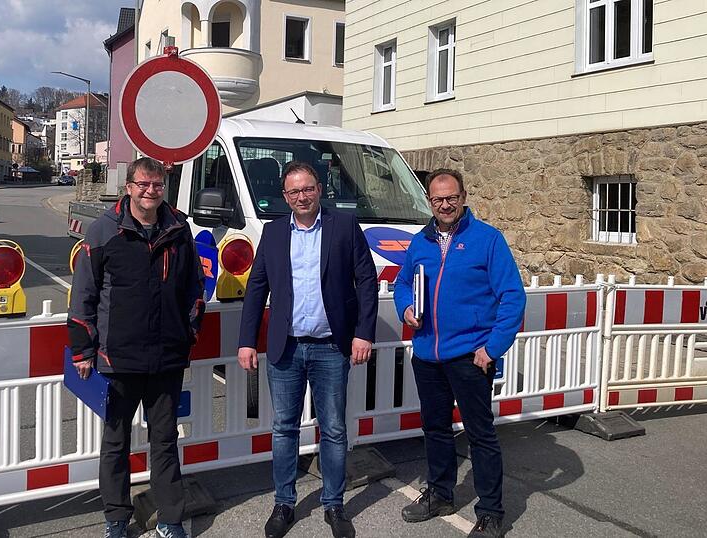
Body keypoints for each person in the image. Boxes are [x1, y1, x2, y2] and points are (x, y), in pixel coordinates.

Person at [237, 161, 378, 538]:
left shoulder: (344, 226)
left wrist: (364, 333)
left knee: (332, 428)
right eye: (294, 191)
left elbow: (366, 281)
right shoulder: (274, 232)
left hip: (332, 346)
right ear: (285, 196)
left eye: (308, 189)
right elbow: (257, 289)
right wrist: (247, 340)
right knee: (284, 428)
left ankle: (334, 505)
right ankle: (284, 502)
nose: (302, 197)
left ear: (320, 189)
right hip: (286, 348)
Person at [68, 157, 206, 538]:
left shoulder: (179, 228)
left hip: (167, 357)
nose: (150, 191)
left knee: (164, 442)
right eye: (143, 184)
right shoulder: (103, 231)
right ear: (128, 186)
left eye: (157, 185)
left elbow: (194, 287)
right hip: (117, 358)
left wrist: (189, 330)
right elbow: (84, 294)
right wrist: (83, 350)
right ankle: (116, 518)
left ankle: (170, 519)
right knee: (116, 442)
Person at [393, 169, 525, 538]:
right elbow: (403, 284)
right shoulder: (420, 241)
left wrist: (493, 347)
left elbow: (513, 297)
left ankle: (490, 512)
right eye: (437, 199)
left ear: (463, 197)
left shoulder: (487, 240)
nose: (445, 204)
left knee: (480, 435)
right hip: (428, 355)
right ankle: (440, 494)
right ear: (430, 202)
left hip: (470, 356)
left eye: (451, 197)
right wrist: (405, 308)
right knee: (435, 429)